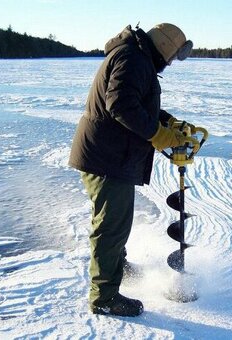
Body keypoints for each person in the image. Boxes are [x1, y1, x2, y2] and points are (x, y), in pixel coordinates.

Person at [69, 23, 195, 317]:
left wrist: (167, 121)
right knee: (111, 227)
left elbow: (137, 102)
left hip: (109, 155)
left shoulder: (137, 57)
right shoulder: (133, 58)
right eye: (175, 54)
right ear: (165, 46)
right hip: (106, 157)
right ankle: (104, 297)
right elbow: (121, 105)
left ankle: (117, 267)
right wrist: (159, 134)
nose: (173, 60)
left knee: (115, 221)